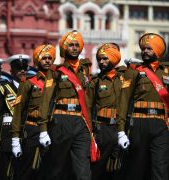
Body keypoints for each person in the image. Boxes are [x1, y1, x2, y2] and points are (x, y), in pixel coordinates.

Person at [36, 30, 99, 180]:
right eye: (71, 45)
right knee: (58, 167)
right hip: (61, 121)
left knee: (83, 168)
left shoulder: (85, 70)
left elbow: (89, 101)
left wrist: (91, 128)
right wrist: (43, 129)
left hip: (81, 122)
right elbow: (46, 99)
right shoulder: (56, 71)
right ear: (65, 48)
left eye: (77, 45)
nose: (74, 48)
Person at [116, 33, 169, 180]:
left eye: (149, 49)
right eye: (143, 49)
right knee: (136, 168)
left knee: (161, 167)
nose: (145, 51)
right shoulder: (134, 71)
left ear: (158, 51)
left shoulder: (166, 71)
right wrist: (121, 131)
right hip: (139, 123)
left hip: (161, 125)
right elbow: (123, 100)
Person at [11, 44, 56, 180]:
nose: (47, 60)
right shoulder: (29, 83)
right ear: (37, 60)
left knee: (49, 169)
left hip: (53, 128)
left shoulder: (57, 81)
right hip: (32, 129)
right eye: (44, 58)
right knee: (28, 169)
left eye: (50, 58)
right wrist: (15, 139)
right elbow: (18, 112)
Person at [90, 43, 127, 180]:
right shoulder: (95, 81)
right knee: (98, 168)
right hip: (103, 129)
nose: (101, 62)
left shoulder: (125, 77)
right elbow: (88, 107)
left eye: (105, 59)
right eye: (99, 59)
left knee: (119, 169)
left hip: (121, 128)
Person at [0, 55, 30, 180]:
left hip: (27, 133)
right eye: (19, 68)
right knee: (4, 171)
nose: (22, 71)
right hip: (7, 134)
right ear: (12, 70)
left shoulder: (32, 87)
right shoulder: (3, 89)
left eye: (24, 67)